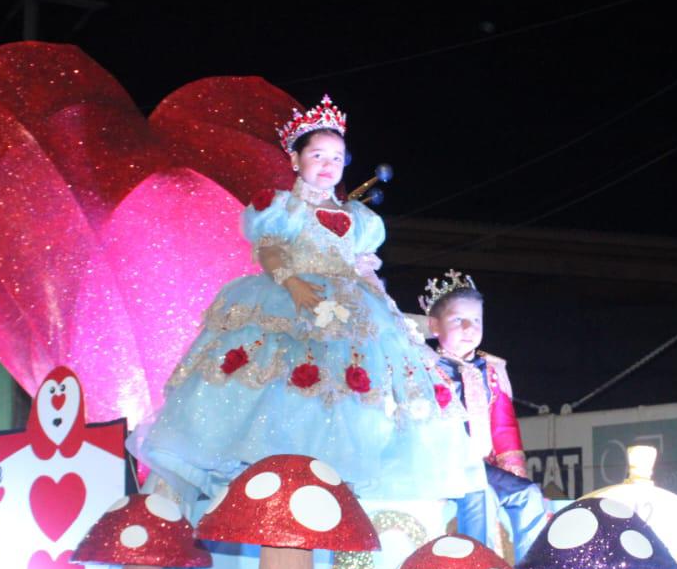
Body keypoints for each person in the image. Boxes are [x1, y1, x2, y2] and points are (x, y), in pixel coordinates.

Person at [133, 96, 484, 505]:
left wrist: (387, 311)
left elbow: (363, 267)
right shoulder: (283, 207)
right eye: (317, 154)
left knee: (349, 395)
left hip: (351, 309)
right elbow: (269, 249)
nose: (328, 164)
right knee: (280, 384)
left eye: (336, 157)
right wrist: (292, 283)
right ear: (296, 160)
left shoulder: (359, 218)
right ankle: (266, 487)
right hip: (291, 298)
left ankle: (333, 492)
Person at [422, 271, 546, 559]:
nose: (469, 328)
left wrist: (514, 476)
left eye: (476, 320)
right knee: (481, 494)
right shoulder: (424, 367)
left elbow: (504, 429)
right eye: (458, 320)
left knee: (528, 494)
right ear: (434, 325)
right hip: (439, 464)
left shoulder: (491, 370)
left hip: (481, 467)